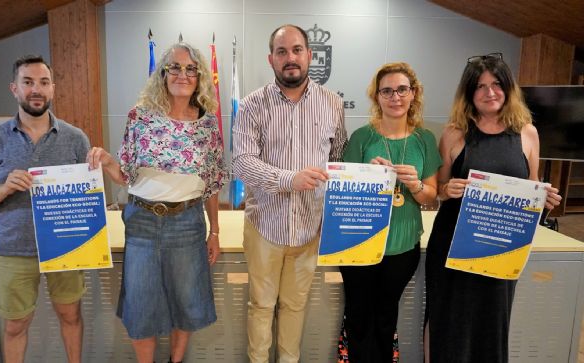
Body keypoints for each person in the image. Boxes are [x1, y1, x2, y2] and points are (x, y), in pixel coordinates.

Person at [87, 41, 227, 363]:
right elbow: (126, 175)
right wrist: (107, 161)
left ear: (199, 76)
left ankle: (175, 361)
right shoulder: (140, 118)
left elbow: (213, 183)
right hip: (143, 223)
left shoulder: (207, 125)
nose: (183, 74)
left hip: (187, 222)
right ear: (162, 74)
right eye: (175, 67)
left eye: (191, 69)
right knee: (141, 304)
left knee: (186, 301)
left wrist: (215, 231)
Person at [424, 53, 562, 362]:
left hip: (501, 249)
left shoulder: (527, 133)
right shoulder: (454, 133)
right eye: (480, 86)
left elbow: (532, 188)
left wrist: (545, 201)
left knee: (492, 325)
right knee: (450, 326)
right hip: (453, 250)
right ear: (469, 93)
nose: (490, 93)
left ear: (508, 88)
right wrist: (449, 189)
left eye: (497, 84)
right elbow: (437, 194)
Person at [232, 24, 348, 363]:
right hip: (265, 225)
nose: (290, 58)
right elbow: (242, 163)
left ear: (309, 56)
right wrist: (289, 179)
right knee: (262, 306)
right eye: (282, 52)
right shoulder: (253, 105)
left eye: (297, 50)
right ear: (271, 59)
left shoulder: (333, 104)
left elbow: (339, 157)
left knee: (295, 306)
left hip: (311, 227)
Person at [0, 55, 90, 363]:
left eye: (44, 82)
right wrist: (5, 187)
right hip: (14, 246)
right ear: (14, 89)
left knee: (71, 316)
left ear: (53, 89)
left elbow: (89, 194)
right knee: (15, 325)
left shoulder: (76, 138)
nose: (37, 89)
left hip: (66, 246)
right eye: (28, 82)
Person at [338, 62, 441, 362]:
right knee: (357, 316)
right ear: (377, 97)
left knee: (385, 316)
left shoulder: (425, 140)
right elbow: (343, 192)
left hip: (401, 246)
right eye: (387, 91)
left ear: (413, 94)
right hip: (360, 244)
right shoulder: (362, 138)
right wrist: (365, 174)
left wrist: (416, 185)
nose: (395, 97)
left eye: (402, 90)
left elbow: (432, 196)